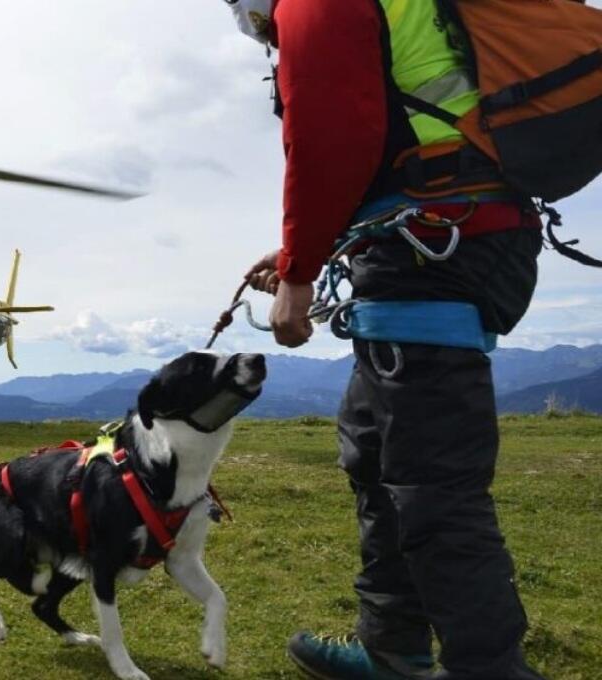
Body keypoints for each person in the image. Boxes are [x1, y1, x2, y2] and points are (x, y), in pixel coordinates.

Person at [229, 1, 546, 679]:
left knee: (432, 484)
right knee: (374, 454)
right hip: (439, 236)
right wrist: (295, 252)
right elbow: (383, 146)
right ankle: (392, 649)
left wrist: (300, 272)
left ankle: (492, 669)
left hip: (438, 245)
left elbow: (330, 138)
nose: (255, 28)